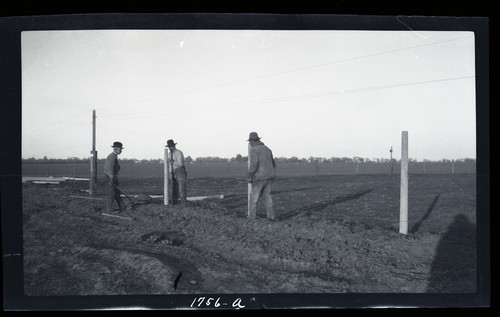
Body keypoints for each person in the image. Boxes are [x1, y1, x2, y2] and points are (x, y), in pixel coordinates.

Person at [247, 132, 277, 220]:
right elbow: (273, 163)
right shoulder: (268, 149)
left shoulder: (253, 150)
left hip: (259, 177)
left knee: (253, 197)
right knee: (267, 196)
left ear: (252, 141)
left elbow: (254, 165)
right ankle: (271, 216)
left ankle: (252, 217)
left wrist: (249, 174)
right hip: (270, 175)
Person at [104, 141, 126, 214]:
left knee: (116, 193)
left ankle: (122, 207)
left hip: (112, 177)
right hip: (110, 177)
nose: (121, 151)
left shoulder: (113, 156)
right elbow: (110, 168)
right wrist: (111, 179)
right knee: (111, 194)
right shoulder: (113, 156)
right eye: (120, 149)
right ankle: (110, 210)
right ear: (116, 149)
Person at [166, 139, 187, 205]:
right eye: (168, 147)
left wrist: (172, 162)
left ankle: (183, 203)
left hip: (180, 170)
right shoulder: (169, 154)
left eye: (170, 146)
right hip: (172, 171)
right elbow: (169, 164)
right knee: (173, 188)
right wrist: (170, 172)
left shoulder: (178, 152)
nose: (169, 148)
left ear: (173, 146)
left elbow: (180, 163)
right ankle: (174, 203)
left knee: (181, 188)